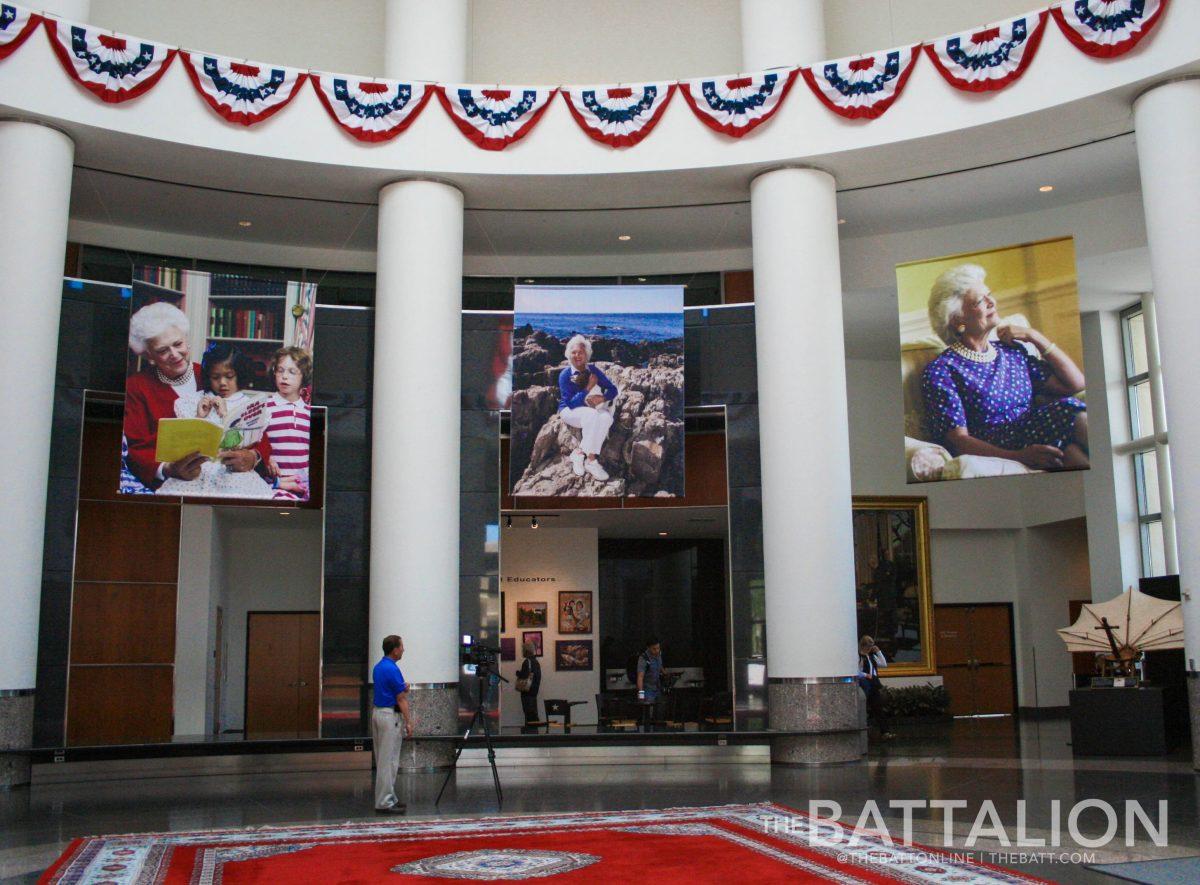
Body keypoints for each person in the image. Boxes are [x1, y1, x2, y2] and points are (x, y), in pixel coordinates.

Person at [922, 264, 1088, 471]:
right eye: (981, 300)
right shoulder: (942, 370)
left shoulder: (1011, 352)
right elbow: (958, 440)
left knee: (1072, 442)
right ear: (957, 320)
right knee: (1069, 439)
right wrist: (1019, 457)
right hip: (1001, 447)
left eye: (989, 295)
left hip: (1040, 432)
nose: (992, 302)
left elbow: (1075, 383)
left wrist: (1035, 337)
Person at [123, 301, 259, 489]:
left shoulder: (213, 374)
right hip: (177, 481)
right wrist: (169, 469)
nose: (174, 354)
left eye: (177, 344)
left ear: (186, 339)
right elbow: (136, 448)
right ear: (148, 356)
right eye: (162, 350)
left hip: (224, 475)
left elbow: (249, 422)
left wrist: (254, 456)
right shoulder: (136, 387)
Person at [558, 334, 618, 481]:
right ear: (568, 354)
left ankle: (589, 459)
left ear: (587, 355)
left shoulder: (593, 370)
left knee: (606, 418)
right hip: (569, 411)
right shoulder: (564, 375)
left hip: (591, 409)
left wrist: (602, 398)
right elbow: (571, 403)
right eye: (574, 352)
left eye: (581, 352)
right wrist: (588, 388)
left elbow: (613, 389)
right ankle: (580, 456)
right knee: (592, 415)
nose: (577, 355)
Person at [371, 634, 414, 814]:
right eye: (401, 646)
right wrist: (408, 722)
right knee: (389, 761)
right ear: (395, 649)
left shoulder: (379, 667)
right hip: (390, 716)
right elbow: (401, 698)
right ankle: (385, 801)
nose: (403, 649)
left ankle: (389, 797)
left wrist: (401, 687)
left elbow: (392, 688)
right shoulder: (393, 669)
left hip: (378, 713)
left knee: (382, 758)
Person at [264, 346, 313, 498]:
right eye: (280, 370)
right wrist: (267, 457)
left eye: (292, 372)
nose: (284, 376)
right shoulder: (265, 407)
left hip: (304, 486)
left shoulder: (309, 412)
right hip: (275, 485)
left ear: (303, 377)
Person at [858, 635, 894, 741]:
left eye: (870, 647)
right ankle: (865, 731)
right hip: (865, 684)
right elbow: (856, 671)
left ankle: (885, 731)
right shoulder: (859, 657)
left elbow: (884, 664)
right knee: (864, 708)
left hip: (874, 684)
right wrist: (865, 675)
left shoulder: (871, 656)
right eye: (867, 647)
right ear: (863, 646)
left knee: (878, 708)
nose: (869, 649)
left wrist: (878, 652)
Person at [516, 640, 542, 733]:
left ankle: (530, 734)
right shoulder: (536, 661)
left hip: (527, 691)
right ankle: (534, 733)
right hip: (534, 691)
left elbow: (524, 675)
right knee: (532, 712)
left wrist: (518, 673)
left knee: (528, 713)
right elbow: (537, 676)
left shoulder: (527, 662)